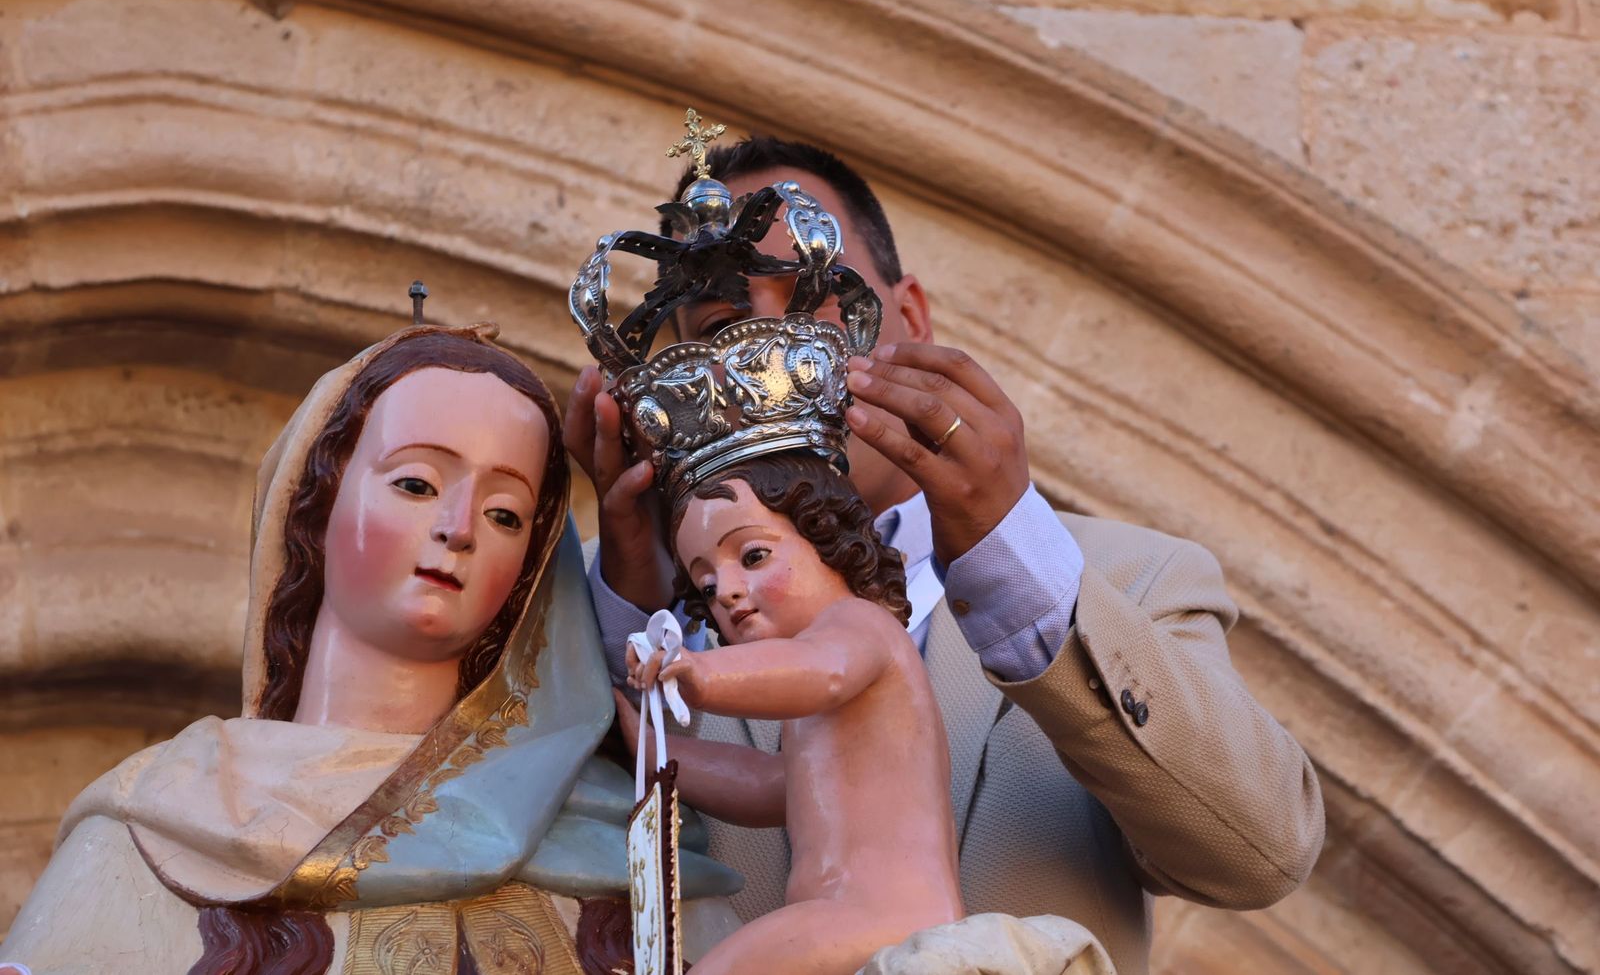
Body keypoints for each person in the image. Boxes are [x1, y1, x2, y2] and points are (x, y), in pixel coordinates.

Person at [566, 139, 1325, 975]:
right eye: (720, 327)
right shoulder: (614, 600)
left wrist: (1014, 560)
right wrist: (635, 612)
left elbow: (1261, 852)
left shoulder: (1129, 581)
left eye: (805, 300)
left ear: (912, 319)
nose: (765, 350)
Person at [1, 324, 739, 975]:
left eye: (505, 512)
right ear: (315, 504)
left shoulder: (618, 837)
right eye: (416, 483)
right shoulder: (156, 822)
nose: (459, 527)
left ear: (529, 575)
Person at [625, 452, 962, 975]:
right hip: (838, 917)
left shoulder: (861, 628)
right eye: (707, 587)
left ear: (829, 541)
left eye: (753, 556)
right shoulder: (814, 713)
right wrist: (649, 749)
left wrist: (702, 675)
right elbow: (770, 787)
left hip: (880, 918)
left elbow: (820, 668)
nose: (728, 592)